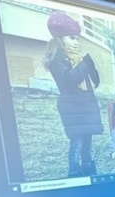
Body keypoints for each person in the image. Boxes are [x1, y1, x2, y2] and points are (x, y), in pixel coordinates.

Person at [43, 11, 103, 177]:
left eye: (77, 38)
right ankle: (74, 173)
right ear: (60, 39)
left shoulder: (79, 57)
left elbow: (95, 82)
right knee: (76, 143)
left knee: (87, 144)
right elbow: (69, 79)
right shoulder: (57, 59)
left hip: (86, 105)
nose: (76, 42)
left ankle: (89, 173)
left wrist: (90, 65)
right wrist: (84, 65)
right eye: (72, 38)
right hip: (72, 107)